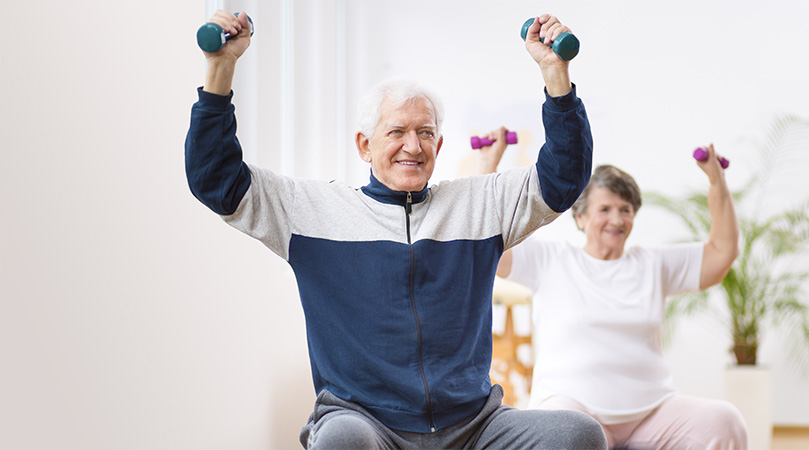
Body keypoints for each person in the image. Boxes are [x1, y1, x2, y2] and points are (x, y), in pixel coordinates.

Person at [185, 10, 605, 450]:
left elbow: (563, 178)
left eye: (426, 133)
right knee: (342, 441)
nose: (413, 145)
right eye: (397, 132)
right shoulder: (311, 211)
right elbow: (217, 179)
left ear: (439, 146)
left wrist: (555, 73)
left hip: (472, 425)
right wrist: (220, 70)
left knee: (578, 434)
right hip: (366, 422)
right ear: (365, 145)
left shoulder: (479, 205)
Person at [480, 144, 749, 450]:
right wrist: (489, 165)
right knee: (566, 434)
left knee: (724, 423)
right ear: (580, 218)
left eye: (626, 210)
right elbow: (490, 240)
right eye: (605, 210)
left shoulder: (654, 264)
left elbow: (722, 252)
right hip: (574, 408)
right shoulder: (550, 260)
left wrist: (717, 182)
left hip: (652, 411)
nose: (617, 220)